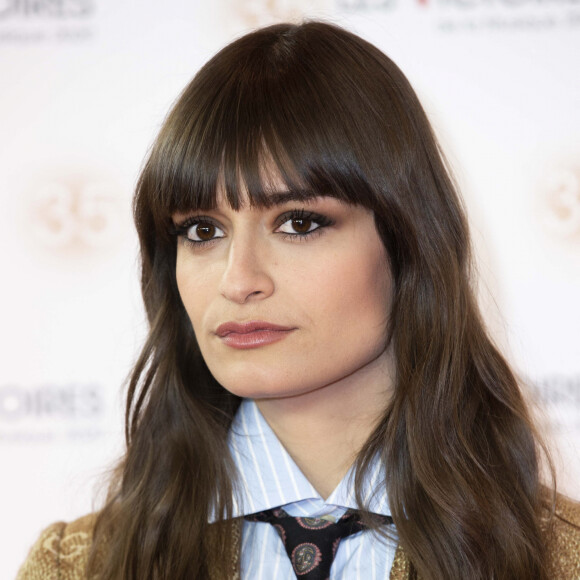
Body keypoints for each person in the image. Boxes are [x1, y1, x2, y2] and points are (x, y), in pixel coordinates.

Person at [17, 20, 580, 580]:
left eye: (299, 222)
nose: (238, 282)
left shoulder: (559, 559)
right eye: (203, 231)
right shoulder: (77, 565)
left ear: (409, 240)